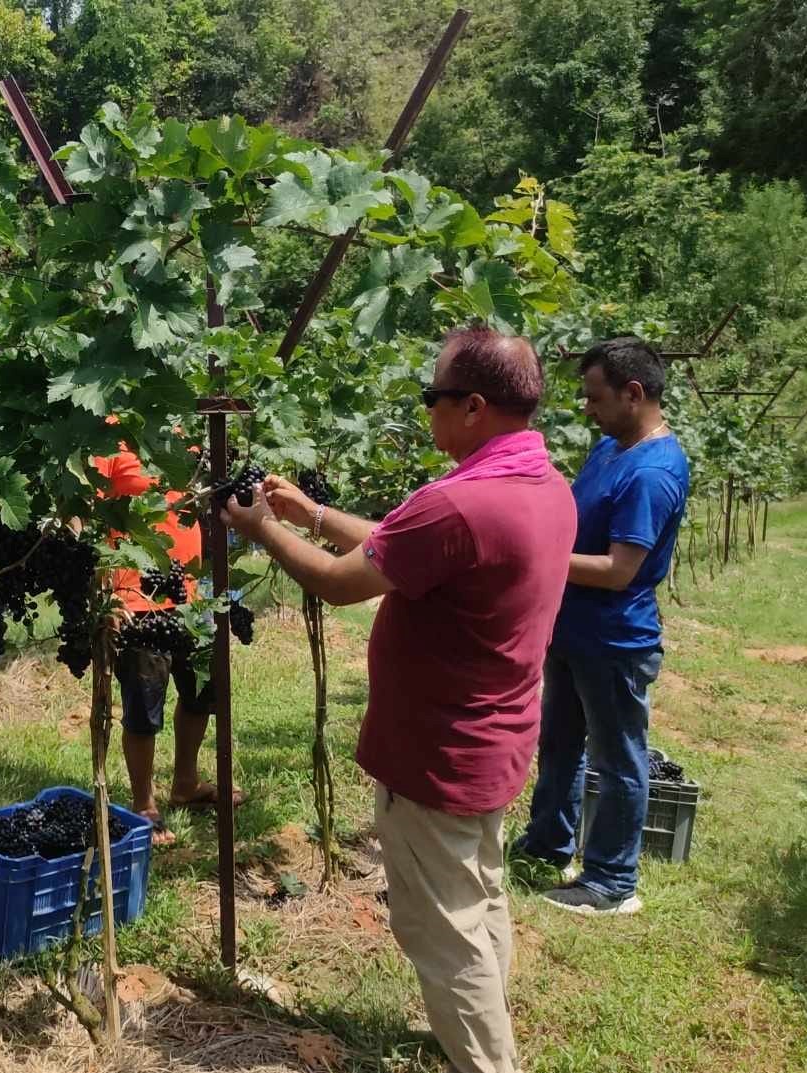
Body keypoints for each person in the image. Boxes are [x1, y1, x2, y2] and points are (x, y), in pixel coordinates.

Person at [220, 327, 575, 1073]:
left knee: (443, 934)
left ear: (473, 406)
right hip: (496, 744)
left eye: (432, 397)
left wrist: (257, 528)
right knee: (478, 900)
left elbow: (341, 581)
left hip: (437, 756)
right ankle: (474, 1037)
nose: (428, 411)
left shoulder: (458, 503)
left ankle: (486, 1062)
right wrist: (308, 513)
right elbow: (402, 544)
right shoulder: (542, 483)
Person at [514, 338, 689, 916]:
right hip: (575, 632)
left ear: (633, 394)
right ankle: (547, 845)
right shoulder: (613, 450)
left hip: (614, 642)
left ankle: (612, 881)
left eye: (595, 397)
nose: (586, 408)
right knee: (561, 745)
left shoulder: (652, 473)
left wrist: (531, 555)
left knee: (618, 760)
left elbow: (619, 571)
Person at [91, 448, 237, 839]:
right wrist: (106, 591)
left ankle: (185, 785)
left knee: (204, 692)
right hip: (137, 598)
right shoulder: (107, 434)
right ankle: (144, 804)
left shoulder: (179, 435)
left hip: (191, 592)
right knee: (143, 706)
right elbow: (87, 517)